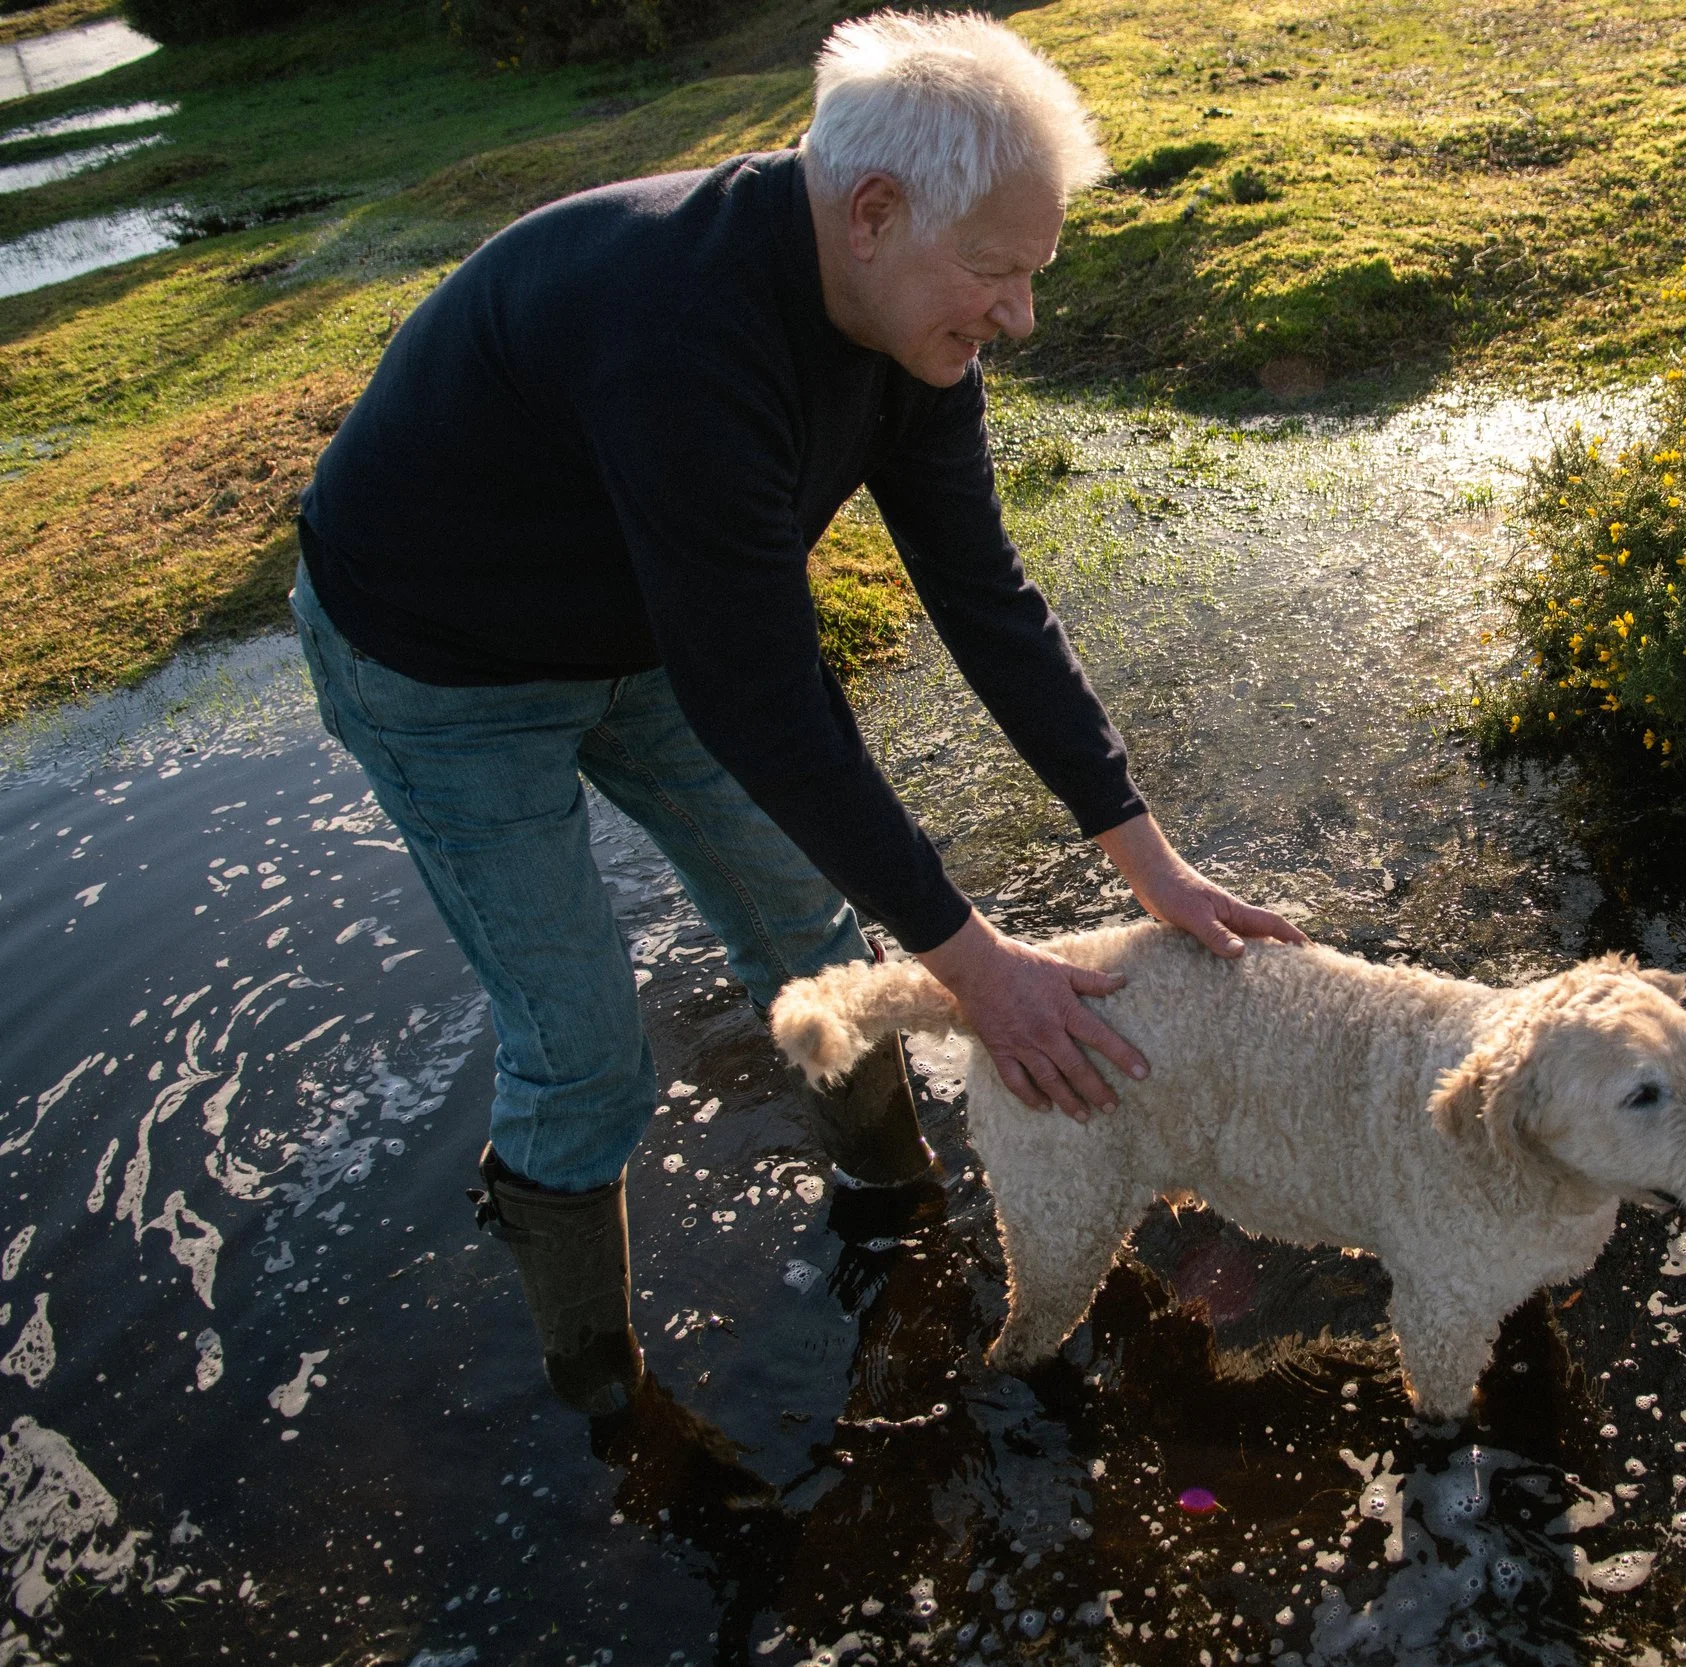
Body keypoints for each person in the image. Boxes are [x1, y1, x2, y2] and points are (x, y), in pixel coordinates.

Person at [288, 12, 1304, 1417]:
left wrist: (1148, 859)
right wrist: (981, 968)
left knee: (809, 933)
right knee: (584, 1057)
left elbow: (983, 596)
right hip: (442, 665)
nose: (1019, 316)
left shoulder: (912, 328)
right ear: (874, 211)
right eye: (997, 273)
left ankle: (895, 1212)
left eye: (1033, 273)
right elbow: (762, 698)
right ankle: (600, 1400)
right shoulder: (679, 327)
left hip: (652, 625)